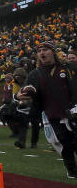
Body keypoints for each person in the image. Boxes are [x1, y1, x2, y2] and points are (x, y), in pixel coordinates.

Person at [23, 42, 77, 179]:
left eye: (45, 49)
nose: (42, 52)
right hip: (53, 113)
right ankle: (71, 170)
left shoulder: (68, 67)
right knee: (64, 143)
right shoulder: (35, 73)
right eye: (40, 50)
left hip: (73, 111)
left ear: (53, 52)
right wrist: (23, 94)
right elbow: (27, 89)